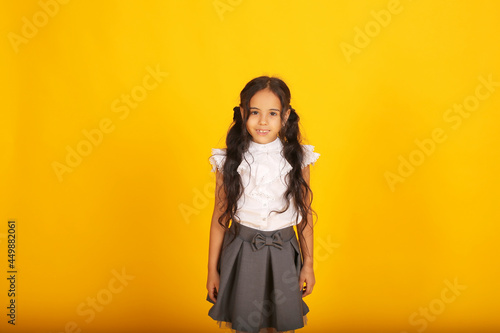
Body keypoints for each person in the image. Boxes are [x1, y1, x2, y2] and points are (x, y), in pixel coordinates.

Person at [206, 76, 320, 333]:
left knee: (279, 324)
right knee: (245, 324)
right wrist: (212, 269)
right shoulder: (229, 160)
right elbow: (219, 217)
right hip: (241, 250)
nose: (263, 121)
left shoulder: (298, 159)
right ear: (243, 113)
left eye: (272, 113)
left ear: (286, 115)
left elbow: (304, 215)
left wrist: (308, 263)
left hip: (284, 250)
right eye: (255, 112)